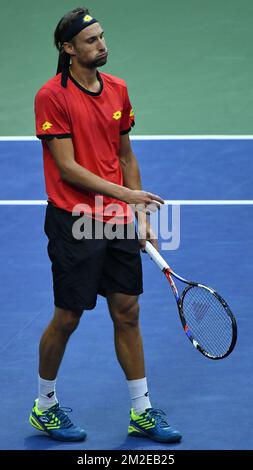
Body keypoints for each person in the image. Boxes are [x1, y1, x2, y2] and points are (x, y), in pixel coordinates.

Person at [29, 6, 182, 444]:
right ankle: (45, 406)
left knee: (128, 312)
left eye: (101, 37)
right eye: (91, 40)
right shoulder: (51, 96)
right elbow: (67, 169)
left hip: (115, 220)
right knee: (68, 316)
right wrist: (127, 197)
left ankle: (142, 411)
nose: (102, 45)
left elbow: (125, 156)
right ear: (68, 48)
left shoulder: (118, 89)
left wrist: (136, 213)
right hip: (73, 219)